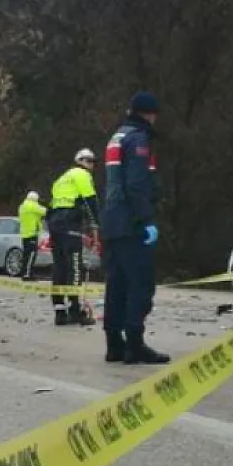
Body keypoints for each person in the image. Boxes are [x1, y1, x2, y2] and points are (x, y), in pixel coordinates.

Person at [101, 91, 168, 365]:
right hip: (131, 224)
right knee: (140, 285)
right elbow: (136, 185)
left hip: (112, 222)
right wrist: (147, 219)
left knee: (116, 285)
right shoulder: (138, 139)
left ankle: (114, 344)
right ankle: (135, 345)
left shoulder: (117, 136)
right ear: (150, 114)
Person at [48, 148, 100, 326]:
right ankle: (75, 310)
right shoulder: (82, 175)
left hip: (55, 223)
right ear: (81, 161)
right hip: (69, 221)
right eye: (90, 161)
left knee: (59, 267)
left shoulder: (61, 179)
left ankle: (59, 312)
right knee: (75, 266)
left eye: (93, 162)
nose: (92, 165)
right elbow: (91, 202)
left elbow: (53, 204)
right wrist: (96, 229)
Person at [17, 190, 46, 282]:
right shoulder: (32, 206)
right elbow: (44, 211)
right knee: (31, 255)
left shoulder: (22, 206)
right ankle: (27, 274)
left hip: (25, 233)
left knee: (26, 254)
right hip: (32, 233)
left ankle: (25, 273)